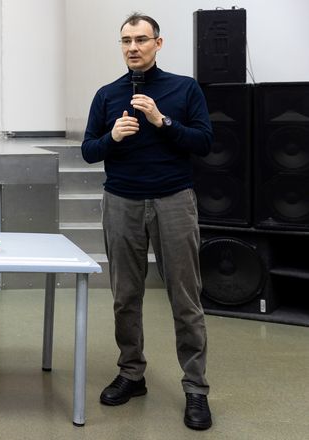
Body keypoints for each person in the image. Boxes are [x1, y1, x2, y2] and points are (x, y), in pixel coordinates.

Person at [81, 13, 213, 430]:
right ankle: (131, 373)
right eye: (126, 40)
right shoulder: (107, 95)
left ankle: (196, 388)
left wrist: (162, 121)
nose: (133, 47)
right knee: (125, 296)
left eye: (141, 39)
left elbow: (204, 142)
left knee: (186, 299)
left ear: (158, 43)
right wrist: (112, 137)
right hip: (122, 201)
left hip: (174, 200)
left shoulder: (184, 88)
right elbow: (88, 150)